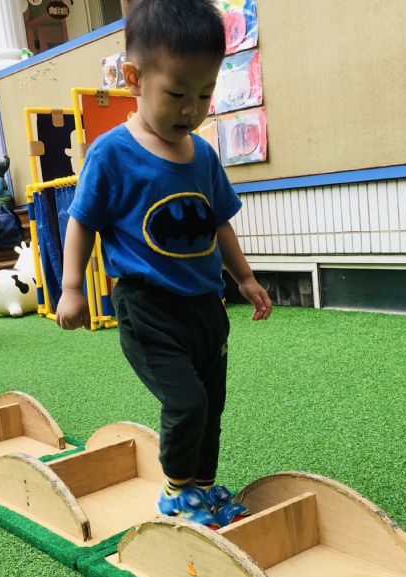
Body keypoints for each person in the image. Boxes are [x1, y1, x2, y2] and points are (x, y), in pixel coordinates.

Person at [55, 0, 272, 527]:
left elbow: (219, 222)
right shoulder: (112, 154)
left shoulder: (203, 155)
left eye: (204, 94)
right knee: (187, 402)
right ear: (134, 79)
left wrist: (244, 277)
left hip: (205, 307)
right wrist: (72, 288)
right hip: (147, 307)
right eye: (176, 94)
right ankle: (176, 492)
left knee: (211, 405)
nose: (191, 109)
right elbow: (81, 221)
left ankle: (202, 486)